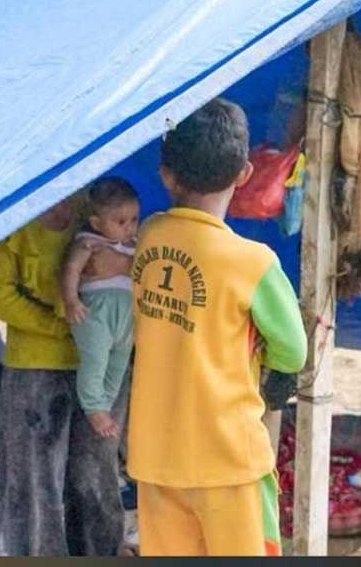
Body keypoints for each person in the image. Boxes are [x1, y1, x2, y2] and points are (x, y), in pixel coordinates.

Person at [127, 98, 307, 556]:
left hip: (156, 455)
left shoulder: (149, 237)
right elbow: (293, 351)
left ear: (166, 175)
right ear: (244, 173)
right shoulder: (253, 262)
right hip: (228, 459)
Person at [0, 197, 130, 556]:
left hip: (101, 365)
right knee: (33, 479)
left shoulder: (97, 206)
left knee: (96, 476)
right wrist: (60, 326)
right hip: (36, 366)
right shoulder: (11, 216)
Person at [60, 176, 140, 440]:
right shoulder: (88, 242)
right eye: (121, 222)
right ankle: (94, 406)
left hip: (126, 314)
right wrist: (71, 300)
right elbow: (71, 269)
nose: (129, 227)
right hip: (95, 311)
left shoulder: (134, 245)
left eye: (134, 219)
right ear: (96, 223)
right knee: (95, 359)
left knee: (119, 361)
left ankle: (106, 401)